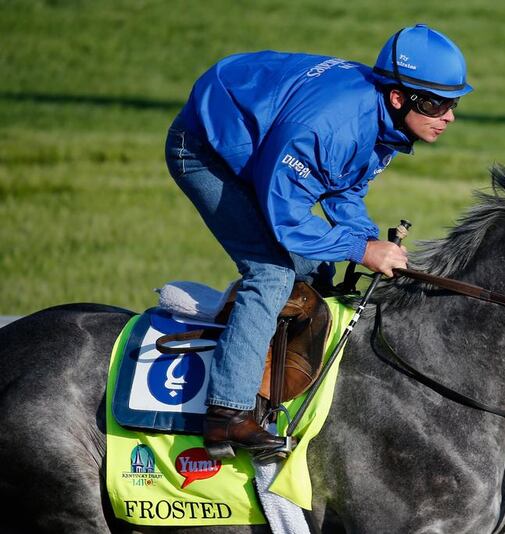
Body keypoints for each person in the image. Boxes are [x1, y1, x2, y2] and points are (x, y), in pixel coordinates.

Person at [164, 24, 472, 459]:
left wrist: (365, 241)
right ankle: (227, 416)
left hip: (263, 138)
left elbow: (342, 188)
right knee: (271, 273)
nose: (449, 116)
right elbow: (287, 218)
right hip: (203, 148)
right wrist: (363, 249)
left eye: (453, 102)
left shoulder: (382, 120)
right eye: (437, 103)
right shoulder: (330, 127)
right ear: (399, 97)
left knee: (316, 272)